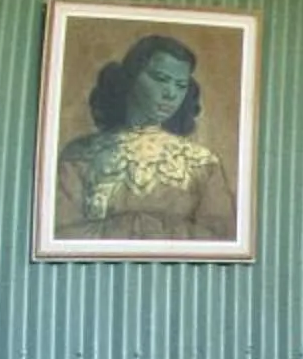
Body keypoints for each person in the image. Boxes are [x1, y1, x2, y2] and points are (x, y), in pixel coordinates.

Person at [53, 32, 232, 240]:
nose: (171, 94)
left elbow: (221, 238)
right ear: (131, 76)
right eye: (161, 79)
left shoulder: (203, 163)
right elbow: (61, 234)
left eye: (180, 85)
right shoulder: (79, 156)